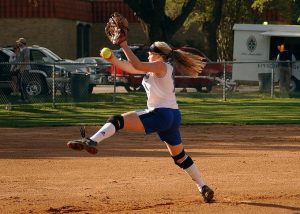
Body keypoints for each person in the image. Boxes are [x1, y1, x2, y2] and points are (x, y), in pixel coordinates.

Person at [67, 41, 214, 203]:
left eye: (150, 53)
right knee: (180, 157)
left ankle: (92, 140)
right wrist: (113, 60)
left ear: (159, 56)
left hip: (160, 114)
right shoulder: (156, 69)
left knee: (117, 120)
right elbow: (132, 67)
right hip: (172, 116)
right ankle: (203, 186)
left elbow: (136, 63)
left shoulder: (161, 65)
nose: (148, 55)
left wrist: (123, 44)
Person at [15, 37, 30, 102]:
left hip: (24, 69)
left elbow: (26, 60)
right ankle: (22, 98)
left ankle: (25, 98)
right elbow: (18, 59)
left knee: (23, 84)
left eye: (19, 42)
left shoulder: (26, 49)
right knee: (20, 84)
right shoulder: (20, 50)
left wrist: (22, 68)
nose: (17, 43)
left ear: (21, 43)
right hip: (19, 69)